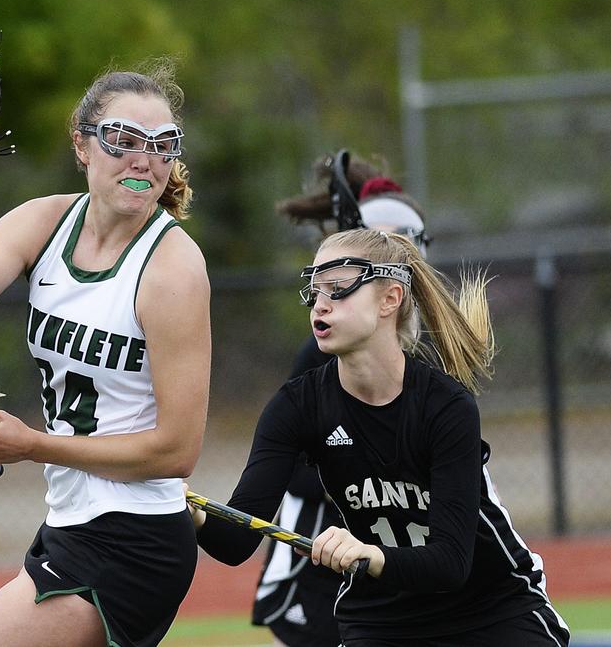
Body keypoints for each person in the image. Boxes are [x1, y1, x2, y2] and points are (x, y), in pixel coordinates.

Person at [0, 59, 211, 647]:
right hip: (69, 521)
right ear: (82, 145)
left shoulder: (172, 268)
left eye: (161, 144)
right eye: (123, 139)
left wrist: (32, 446)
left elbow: (178, 450)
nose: (143, 160)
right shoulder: (42, 223)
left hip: (135, 540)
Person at [193, 227, 570, 646]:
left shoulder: (446, 406)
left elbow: (450, 564)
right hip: (380, 619)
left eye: (338, 288)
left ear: (391, 298)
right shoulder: (296, 406)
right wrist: (189, 511)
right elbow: (236, 542)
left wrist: (367, 553)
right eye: (315, 291)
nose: (320, 304)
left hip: (491, 611)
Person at [252, 150, 431, 647]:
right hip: (320, 548)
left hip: (394, 552)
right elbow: (292, 472)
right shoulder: (321, 358)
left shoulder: (431, 355)